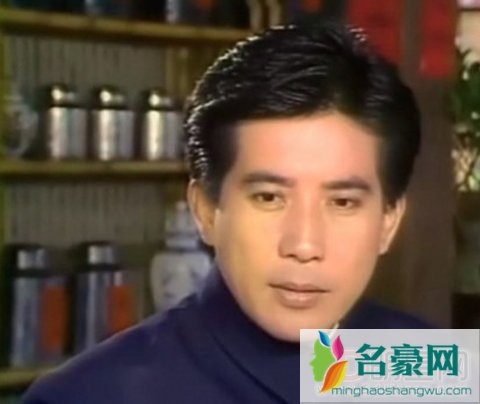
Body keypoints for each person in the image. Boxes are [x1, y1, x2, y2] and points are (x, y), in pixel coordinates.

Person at [23, 21, 431, 404]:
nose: (304, 245)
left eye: (342, 203)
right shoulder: (91, 395)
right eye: (269, 197)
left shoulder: (428, 368)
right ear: (205, 210)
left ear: (388, 222)